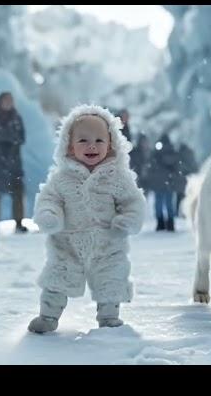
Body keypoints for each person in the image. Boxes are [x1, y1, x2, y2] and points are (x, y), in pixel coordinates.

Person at [28, 105, 146, 333]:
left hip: (108, 242)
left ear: (111, 144)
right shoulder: (62, 178)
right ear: (69, 147)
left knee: (111, 278)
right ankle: (48, 316)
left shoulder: (117, 176)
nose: (92, 145)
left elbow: (133, 201)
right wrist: (50, 215)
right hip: (68, 243)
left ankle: (109, 317)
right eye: (83, 140)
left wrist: (128, 218)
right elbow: (49, 199)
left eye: (99, 140)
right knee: (57, 278)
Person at [0, 92, 28, 234]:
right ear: (0, 102)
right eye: (6, 100)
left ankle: (19, 223)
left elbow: (21, 138)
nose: (8, 103)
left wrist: (10, 140)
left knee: (18, 193)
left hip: (14, 163)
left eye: (10, 100)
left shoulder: (17, 119)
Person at [148, 133, 180, 231]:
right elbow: (176, 168)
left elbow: (151, 167)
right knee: (168, 205)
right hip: (167, 183)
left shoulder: (157, 153)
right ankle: (170, 224)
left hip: (160, 183)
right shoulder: (172, 152)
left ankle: (161, 223)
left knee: (159, 205)